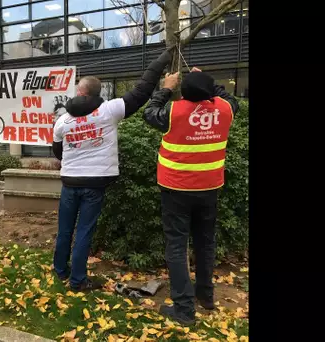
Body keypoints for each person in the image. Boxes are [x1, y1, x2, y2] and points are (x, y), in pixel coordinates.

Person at [51, 49, 174, 292]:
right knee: (85, 231)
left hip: (69, 182)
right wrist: (161, 63)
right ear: (98, 93)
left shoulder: (62, 121)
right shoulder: (110, 110)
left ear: (80, 92)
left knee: (65, 228)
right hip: (95, 183)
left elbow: (58, 152)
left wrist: (76, 156)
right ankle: (77, 281)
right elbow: (142, 91)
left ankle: (61, 270)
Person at [142, 67, 239, 325]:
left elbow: (149, 113)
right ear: (209, 93)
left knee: (176, 246)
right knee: (205, 243)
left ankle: (184, 310)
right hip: (209, 188)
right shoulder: (225, 110)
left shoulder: (174, 111)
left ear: (183, 93)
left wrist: (166, 87)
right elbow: (229, 98)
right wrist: (207, 81)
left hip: (176, 189)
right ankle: (205, 296)